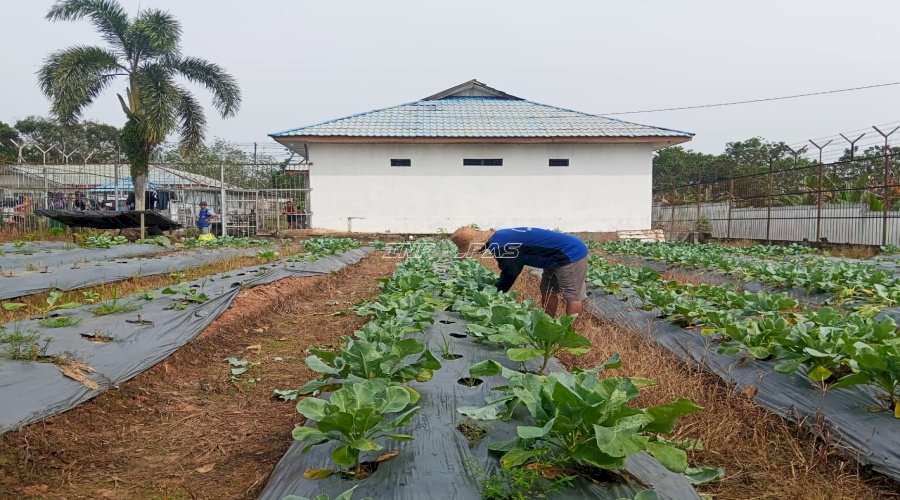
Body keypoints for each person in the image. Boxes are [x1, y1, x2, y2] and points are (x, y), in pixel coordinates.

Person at [451, 226, 589, 316]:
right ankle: (549, 324)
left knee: (572, 295)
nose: (476, 253)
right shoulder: (499, 237)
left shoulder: (501, 246)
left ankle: (569, 332)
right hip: (552, 257)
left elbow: (511, 272)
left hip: (570, 252)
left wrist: (495, 293)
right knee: (547, 290)